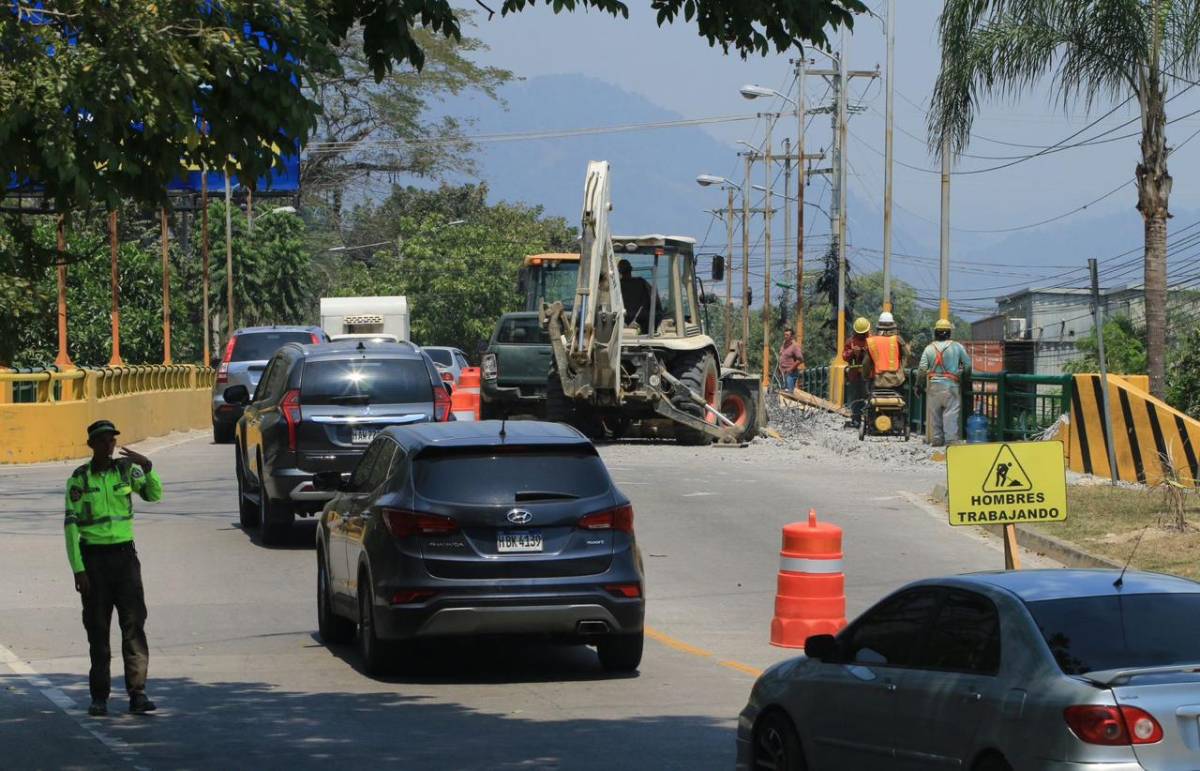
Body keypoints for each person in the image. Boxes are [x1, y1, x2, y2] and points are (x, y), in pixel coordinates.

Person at [65, 420, 162, 717]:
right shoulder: (79, 479)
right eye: (103, 440)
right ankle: (99, 697)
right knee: (98, 630)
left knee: (133, 626)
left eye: (112, 440)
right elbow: (71, 527)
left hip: (124, 559)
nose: (109, 445)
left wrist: (147, 467)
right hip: (94, 561)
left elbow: (154, 495)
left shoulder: (126, 470)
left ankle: (138, 693)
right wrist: (78, 569)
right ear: (91, 445)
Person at [918, 318, 972, 446]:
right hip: (951, 386)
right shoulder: (957, 347)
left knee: (935, 414)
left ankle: (937, 438)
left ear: (935, 332)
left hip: (933, 386)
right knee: (951, 413)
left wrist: (918, 385)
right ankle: (951, 439)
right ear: (949, 333)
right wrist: (965, 380)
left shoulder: (929, 348)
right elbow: (968, 365)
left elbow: (922, 369)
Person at [863, 311, 911, 391]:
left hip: (878, 381)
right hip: (896, 382)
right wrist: (901, 370)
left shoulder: (871, 341)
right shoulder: (898, 340)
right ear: (892, 325)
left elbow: (865, 363)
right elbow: (907, 355)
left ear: (879, 326)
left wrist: (865, 376)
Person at [842, 317, 871, 427]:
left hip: (868, 374)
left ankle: (870, 419)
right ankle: (856, 419)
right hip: (855, 375)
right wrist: (853, 353)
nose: (862, 335)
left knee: (869, 396)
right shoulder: (850, 342)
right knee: (856, 397)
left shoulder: (872, 340)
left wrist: (865, 352)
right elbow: (844, 356)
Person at [617, 259, 654, 332]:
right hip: (640, 323)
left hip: (621, 323)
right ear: (631, 269)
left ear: (619, 271)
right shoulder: (641, 282)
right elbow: (651, 299)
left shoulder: (616, 286)